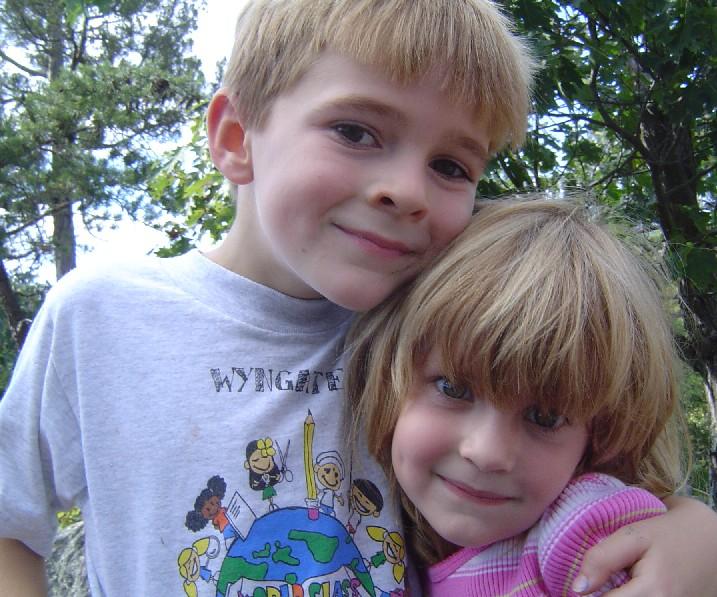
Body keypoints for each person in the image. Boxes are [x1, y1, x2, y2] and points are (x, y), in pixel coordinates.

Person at [0, 0, 716, 595]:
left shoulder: (441, 331)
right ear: (236, 137)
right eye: (355, 131)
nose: (405, 190)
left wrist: (692, 530)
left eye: (450, 165)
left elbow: (576, 457)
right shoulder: (102, 315)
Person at [346, 199, 697, 595]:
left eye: (545, 417)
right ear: (388, 373)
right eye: (453, 388)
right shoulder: (378, 523)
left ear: (601, 436)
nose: (487, 452)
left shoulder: (581, 539)